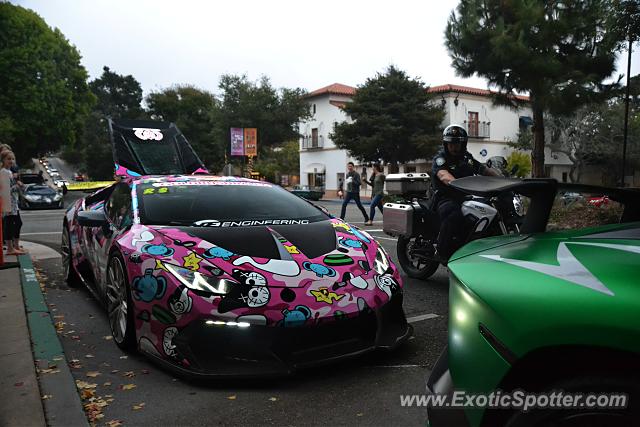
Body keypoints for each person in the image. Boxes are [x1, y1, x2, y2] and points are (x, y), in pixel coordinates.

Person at [432, 124, 500, 261]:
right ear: (446, 144)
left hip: (465, 196)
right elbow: (444, 175)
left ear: (463, 144)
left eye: (458, 143)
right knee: (453, 214)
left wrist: (502, 178)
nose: (454, 147)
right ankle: (442, 251)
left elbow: (483, 169)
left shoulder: (466, 158)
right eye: (451, 143)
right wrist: (455, 182)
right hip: (445, 197)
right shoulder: (441, 159)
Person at [1, 150, 26, 255]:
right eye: (8, 159)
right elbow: (6, 189)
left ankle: (14, 246)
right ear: (3, 160)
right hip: (8, 203)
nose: (11, 161)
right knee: (9, 224)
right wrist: (17, 186)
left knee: (16, 223)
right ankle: (10, 248)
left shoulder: (9, 171)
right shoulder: (4, 172)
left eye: (12, 158)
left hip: (13, 202)